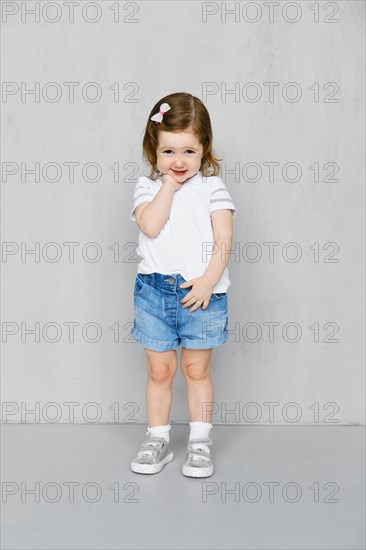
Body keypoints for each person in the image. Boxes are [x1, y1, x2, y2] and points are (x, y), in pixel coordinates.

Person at [129, 92, 236, 478]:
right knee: (159, 372)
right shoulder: (147, 188)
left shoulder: (213, 189)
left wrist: (209, 282)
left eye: (188, 152)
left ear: (204, 149)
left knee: (196, 370)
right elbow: (151, 225)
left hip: (201, 294)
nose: (178, 161)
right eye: (169, 152)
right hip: (154, 293)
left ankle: (199, 441)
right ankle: (157, 438)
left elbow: (223, 239)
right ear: (154, 151)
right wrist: (169, 188)